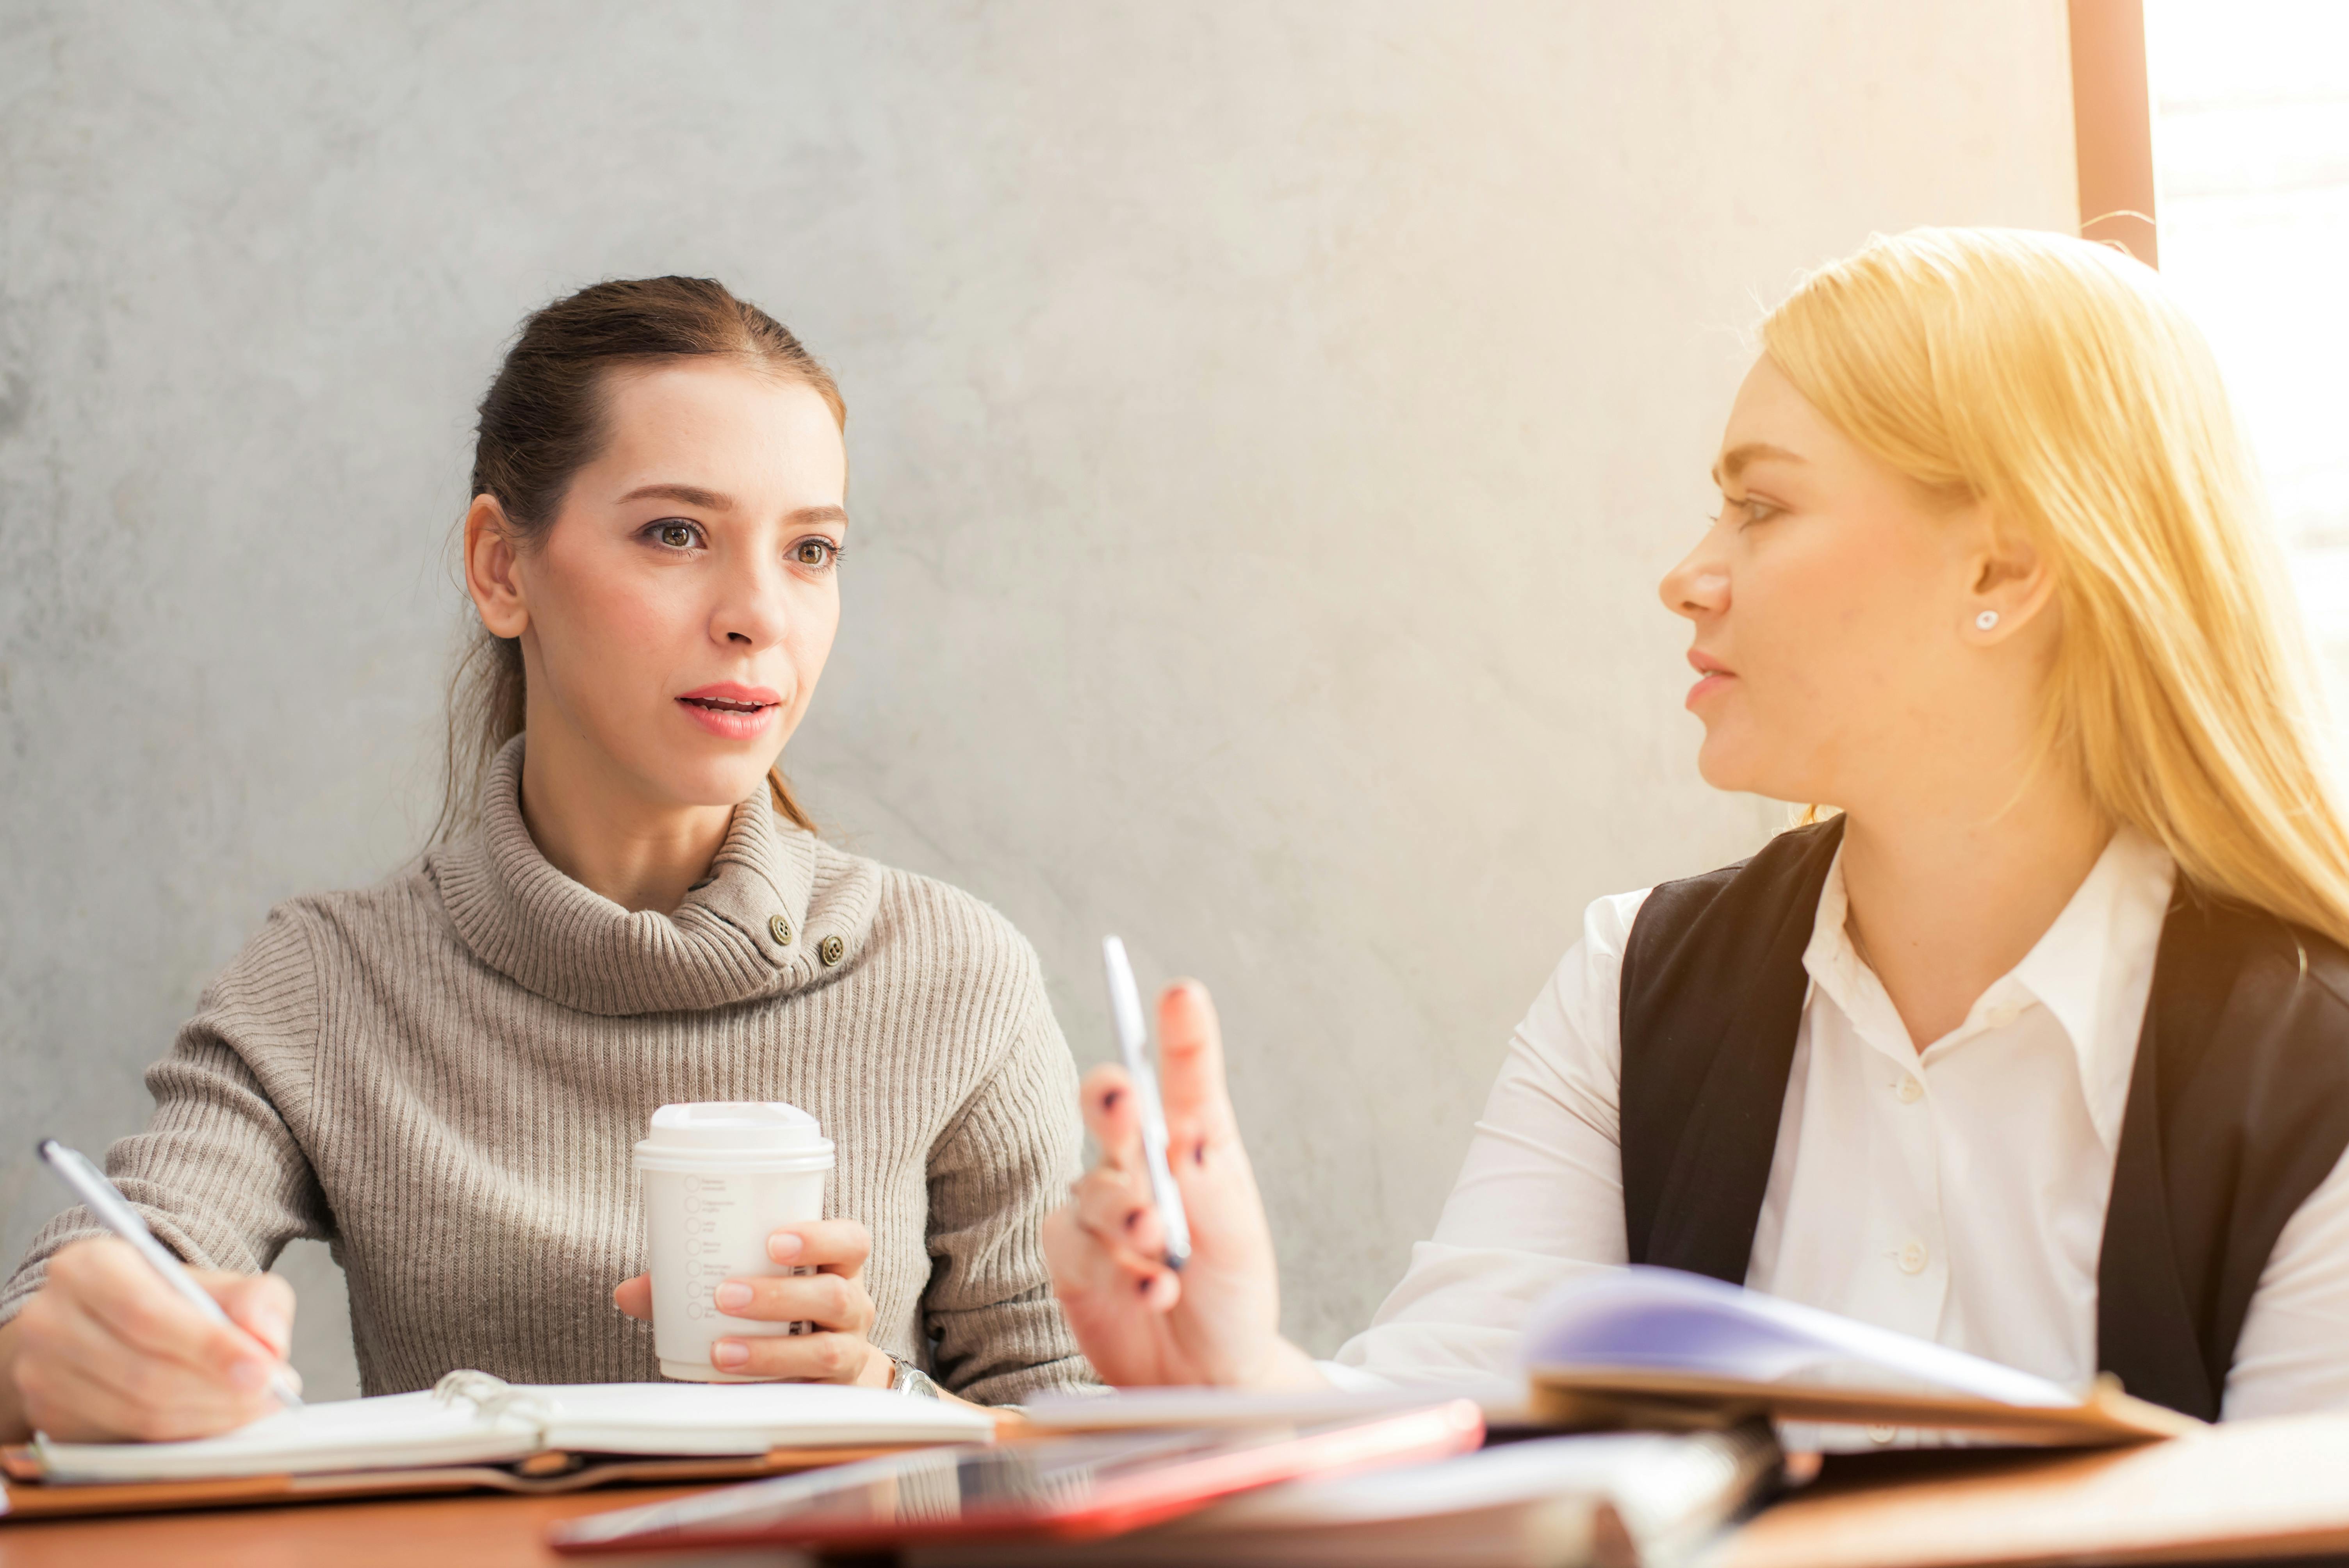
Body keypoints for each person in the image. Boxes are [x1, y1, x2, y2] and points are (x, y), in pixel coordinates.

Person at [1046, 227, 2349, 1425]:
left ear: (2003, 571)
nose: (1688, 576)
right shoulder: (1634, 985)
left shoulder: (2314, 1067)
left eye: (1762, 506)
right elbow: (1450, 1439)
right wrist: (1236, 1374)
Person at [0, 277, 1090, 1443]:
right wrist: (55, 1361)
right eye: (677, 533)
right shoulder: (328, 984)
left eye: (811, 550)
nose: (759, 615)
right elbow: (93, 1291)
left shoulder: (957, 976)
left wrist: (894, 1407)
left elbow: (1087, 1436)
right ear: (501, 569)